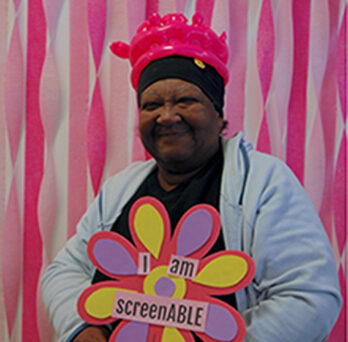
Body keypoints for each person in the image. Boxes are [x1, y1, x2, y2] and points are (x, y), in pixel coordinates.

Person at [42, 13, 342, 342]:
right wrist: (82, 328)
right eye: (151, 104)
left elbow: (309, 296)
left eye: (186, 100)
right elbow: (64, 270)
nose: (167, 116)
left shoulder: (264, 182)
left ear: (218, 112)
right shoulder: (121, 189)